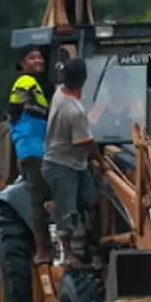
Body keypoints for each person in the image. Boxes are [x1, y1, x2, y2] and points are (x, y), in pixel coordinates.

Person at [41, 58, 105, 267]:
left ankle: (92, 243)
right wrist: (101, 161)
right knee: (67, 211)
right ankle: (68, 252)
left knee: (89, 198)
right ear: (84, 80)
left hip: (76, 164)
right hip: (61, 164)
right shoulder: (74, 111)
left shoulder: (59, 92)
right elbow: (86, 142)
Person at [7, 45, 52, 264]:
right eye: (32, 58)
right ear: (22, 64)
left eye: (40, 57)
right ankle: (42, 250)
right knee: (38, 198)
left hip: (37, 146)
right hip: (31, 148)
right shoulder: (25, 82)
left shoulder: (37, 85)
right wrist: (54, 113)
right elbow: (29, 108)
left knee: (43, 196)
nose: (39, 60)